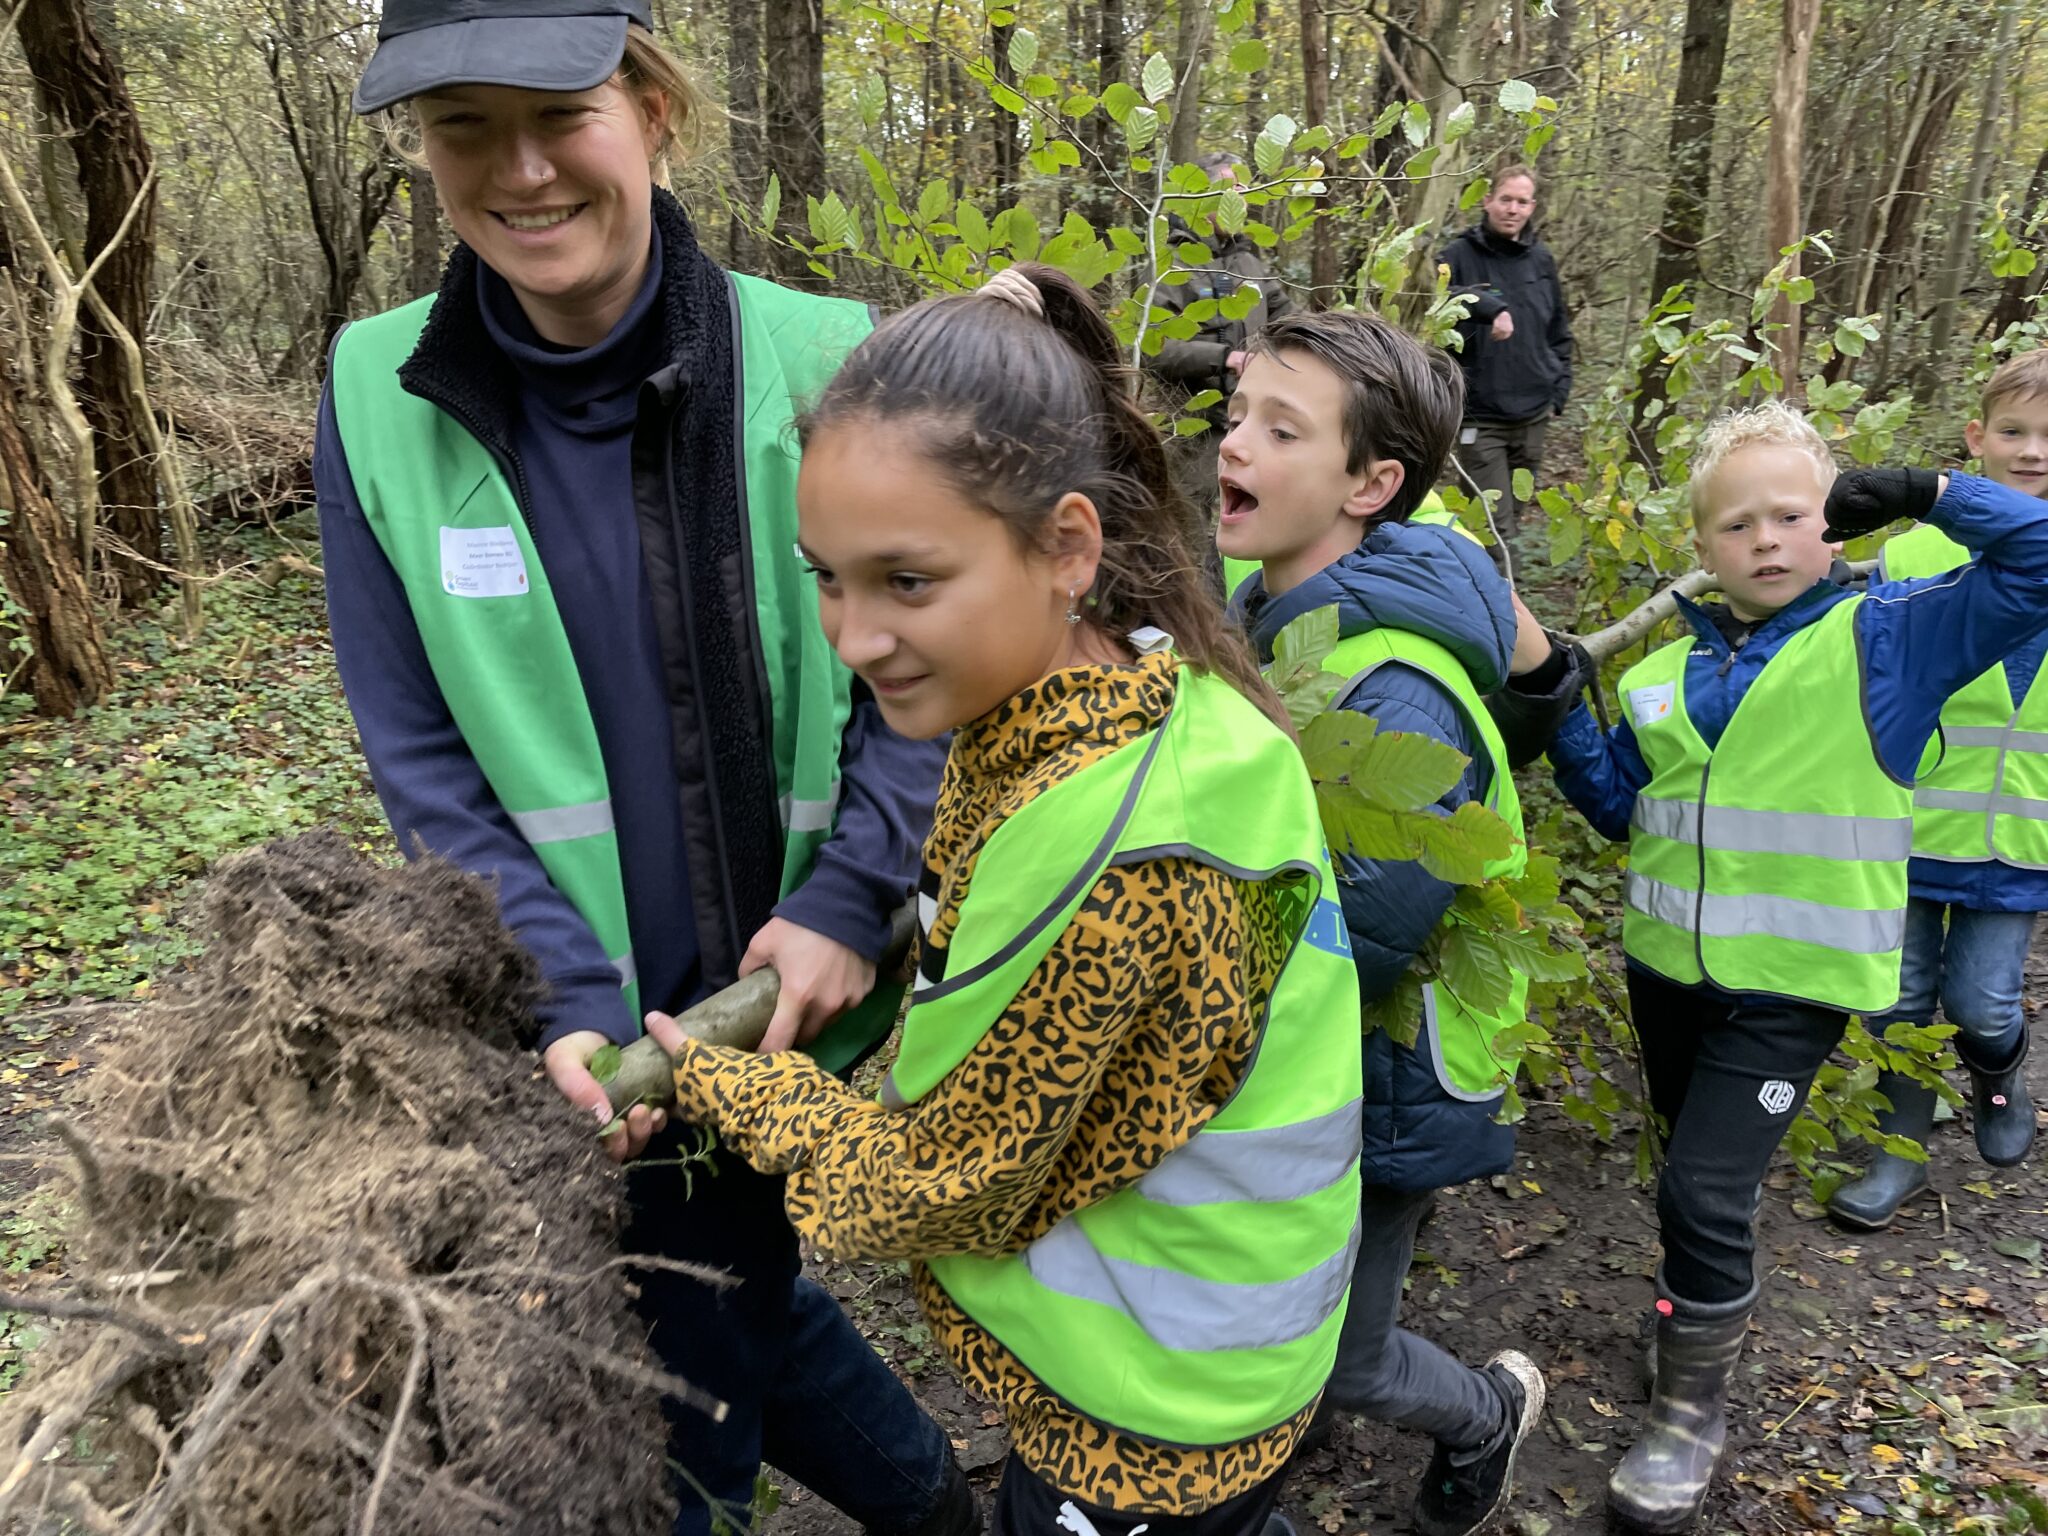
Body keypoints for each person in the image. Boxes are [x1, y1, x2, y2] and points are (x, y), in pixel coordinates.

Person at [318, 4, 969, 1531]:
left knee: (693, 1358)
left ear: (656, 108)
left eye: (563, 112)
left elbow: (917, 684)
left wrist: (851, 894)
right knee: (701, 1307)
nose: (521, 169)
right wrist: (566, 993)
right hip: (571, 1041)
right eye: (463, 124)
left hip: (785, 990)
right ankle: (942, 1508)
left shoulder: (827, 359)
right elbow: (418, 749)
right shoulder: (371, 394)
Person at [645, 264, 1362, 1535]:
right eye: (826, 576)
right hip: (1231, 1349)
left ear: (1067, 546)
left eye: (906, 582)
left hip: (1145, 1414)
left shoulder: (1109, 846)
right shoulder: (1162, 701)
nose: (852, 638)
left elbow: (942, 1182)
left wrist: (730, 1088)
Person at [1538, 400, 2048, 1532]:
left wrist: (1927, 491)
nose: (1762, 538)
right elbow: (1619, 805)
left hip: (1793, 987)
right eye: (1732, 524)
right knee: (1687, 1167)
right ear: (1701, 548)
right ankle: (1688, 1317)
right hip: (1666, 971)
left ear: (1833, 525)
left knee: (1703, 1188)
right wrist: (1559, 703)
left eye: (1789, 514)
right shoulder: (1661, 673)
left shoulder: (1891, 637)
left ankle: (1688, 1414)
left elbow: (2039, 562)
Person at [1214, 308, 1546, 1536]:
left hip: (1388, 1075)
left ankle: (1486, 1414)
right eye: (1237, 414)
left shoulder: (1393, 682)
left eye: (1279, 428)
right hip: (1302, 1070)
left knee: (1340, 1361)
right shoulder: (1266, 612)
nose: (1234, 445)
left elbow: (1360, 935)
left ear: (1372, 484)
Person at [1827, 351, 2048, 1228]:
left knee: (1980, 999)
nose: (2033, 451)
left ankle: (1999, 1073)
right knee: (1900, 995)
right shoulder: (1914, 549)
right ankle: (1900, 1148)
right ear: (1975, 440)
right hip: (1913, 826)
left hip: (2025, 835)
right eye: (2014, 432)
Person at [1149, 150, 1294, 522]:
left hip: (1254, 427)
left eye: (1244, 192)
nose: (1241, 202)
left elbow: (1289, 319)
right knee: (1195, 530)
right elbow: (1152, 348)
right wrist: (1225, 357)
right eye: (1231, 192)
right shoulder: (1171, 266)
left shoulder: (1249, 263)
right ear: (1203, 198)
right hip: (1193, 434)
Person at [1437, 165, 1571, 528]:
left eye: (1522, 202)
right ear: (1487, 201)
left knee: (1514, 515)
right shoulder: (1458, 255)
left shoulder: (1540, 259)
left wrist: (1559, 389)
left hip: (1534, 415)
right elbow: (1432, 297)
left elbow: (1558, 326)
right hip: (1481, 418)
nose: (1513, 209)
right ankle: (1494, 585)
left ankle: (1502, 584)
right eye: (1505, 199)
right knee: (1492, 526)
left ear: (1532, 207)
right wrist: (1489, 307)